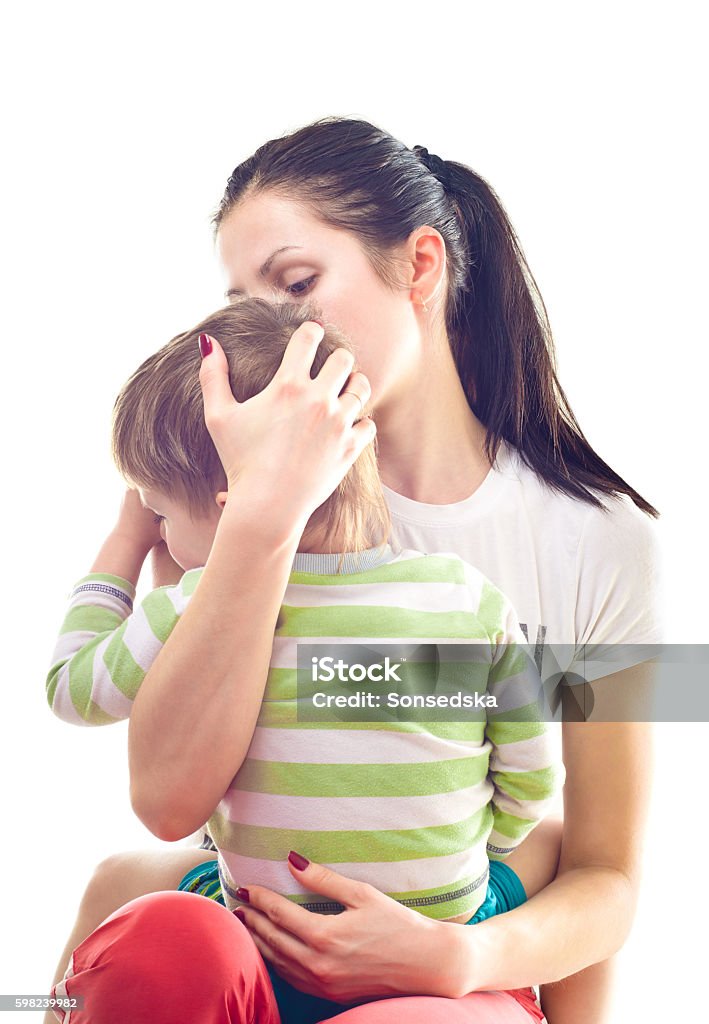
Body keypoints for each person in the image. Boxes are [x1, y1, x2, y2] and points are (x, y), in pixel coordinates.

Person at [56, 116, 659, 1022]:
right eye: (244, 303)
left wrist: (459, 953)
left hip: (449, 960)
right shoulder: (228, 506)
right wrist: (262, 522)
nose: (269, 330)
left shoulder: (595, 541)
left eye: (295, 284)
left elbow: (600, 870)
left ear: (419, 267)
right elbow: (167, 798)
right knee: (140, 917)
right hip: (258, 929)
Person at [46, 298, 562, 1024]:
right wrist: (454, 857)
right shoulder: (465, 603)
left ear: (230, 508)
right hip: (439, 935)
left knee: (135, 923)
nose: (158, 533)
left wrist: (124, 543)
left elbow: (70, 686)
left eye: (160, 511)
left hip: (263, 938)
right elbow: (529, 780)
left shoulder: (192, 605)